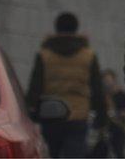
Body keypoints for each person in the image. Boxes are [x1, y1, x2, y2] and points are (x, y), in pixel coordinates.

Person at [26, 12, 108, 158]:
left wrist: (29, 114)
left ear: (56, 28)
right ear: (76, 29)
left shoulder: (44, 55)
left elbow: (34, 88)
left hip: (50, 116)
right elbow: (97, 89)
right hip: (78, 116)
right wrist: (101, 117)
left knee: (52, 153)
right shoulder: (88, 56)